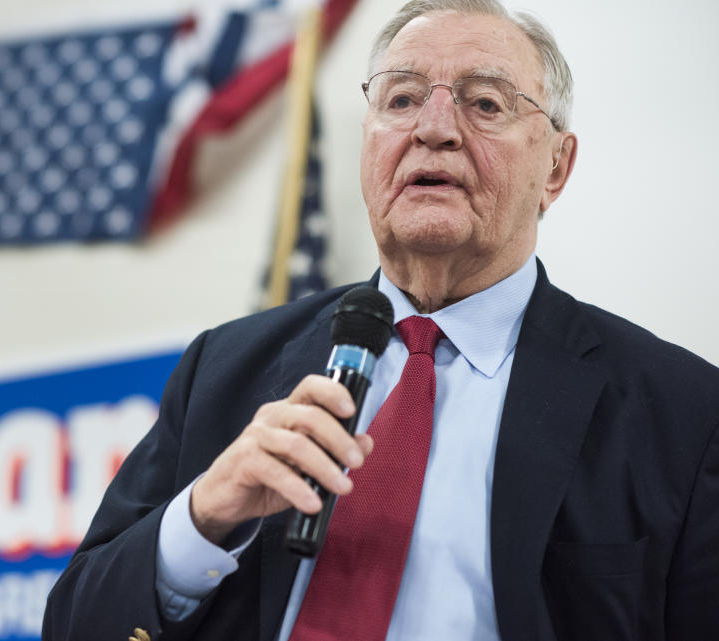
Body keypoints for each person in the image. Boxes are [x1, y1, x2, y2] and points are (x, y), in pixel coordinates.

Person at [42, 1, 719, 639]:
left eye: (485, 103)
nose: (434, 127)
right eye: (401, 98)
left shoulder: (682, 412)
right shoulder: (224, 369)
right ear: (368, 144)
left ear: (556, 167)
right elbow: (74, 624)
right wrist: (201, 517)